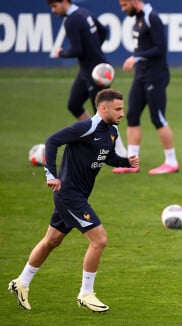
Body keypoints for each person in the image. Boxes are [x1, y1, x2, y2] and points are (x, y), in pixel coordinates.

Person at [8, 89, 139, 312]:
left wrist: (126, 162)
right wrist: (51, 175)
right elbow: (52, 141)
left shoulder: (112, 131)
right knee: (100, 240)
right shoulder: (85, 127)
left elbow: (105, 156)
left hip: (76, 196)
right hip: (69, 195)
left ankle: (21, 282)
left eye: (122, 108)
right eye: (118, 109)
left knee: (52, 241)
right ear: (103, 108)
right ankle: (86, 294)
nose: (122, 113)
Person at [47, 0, 127, 156]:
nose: (53, 10)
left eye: (54, 6)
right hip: (88, 69)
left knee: (105, 113)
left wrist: (61, 53)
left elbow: (77, 49)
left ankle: (121, 152)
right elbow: (103, 30)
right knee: (74, 104)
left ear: (64, 2)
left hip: (96, 73)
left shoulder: (71, 20)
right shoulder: (83, 12)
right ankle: (92, 138)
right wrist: (94, 48)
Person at [113, 0, 179, 174]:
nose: (122, 9)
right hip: (141, 76)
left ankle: (171, 162)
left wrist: (137, 57)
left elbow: (161, 48)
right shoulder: (139, 17)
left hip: (156, 76)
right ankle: (132, 163)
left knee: (158, 118)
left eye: (124, 4)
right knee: (132, 115)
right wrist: (139, 59)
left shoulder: (152, 17)